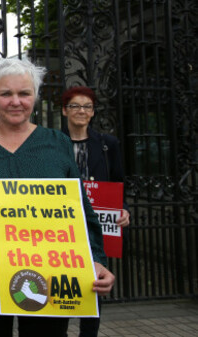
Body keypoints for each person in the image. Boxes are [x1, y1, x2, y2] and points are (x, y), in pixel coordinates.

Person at [0, 58, 115, 337]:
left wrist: (96, 259)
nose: (16, 101)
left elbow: (80, 209)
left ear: (34, 98)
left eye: (24, 93)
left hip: (50, 274)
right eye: (6, 93)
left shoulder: (57, 142)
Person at [61, 86, 130, 337]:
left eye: (87, 107)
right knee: (62, 282)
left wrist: (123, 209)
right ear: (64, 110)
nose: (82, 111)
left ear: (93, 112)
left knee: (94, 284)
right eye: (75, 106)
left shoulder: (107, 144)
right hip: (63, 226)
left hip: (96, 226)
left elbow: (118, 181)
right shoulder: (54, 142)